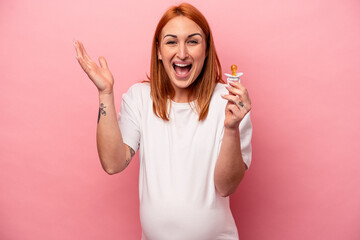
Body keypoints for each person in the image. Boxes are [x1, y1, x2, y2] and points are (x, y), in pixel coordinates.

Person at [74, 3, 252, 240]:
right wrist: (105, 93)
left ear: (206, 49)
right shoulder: (140, 98)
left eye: (193, 41)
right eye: (171, 42)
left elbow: (226, 186)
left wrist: (231, 128)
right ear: (158, 50)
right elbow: (112, 163)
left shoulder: (229, 103)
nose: (182, 53)